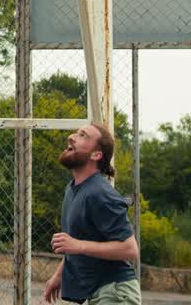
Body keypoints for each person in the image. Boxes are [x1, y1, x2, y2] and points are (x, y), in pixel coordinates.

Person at [43, 122, 140, 304]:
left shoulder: (100, 193)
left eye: (83, 135)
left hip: (115, 293)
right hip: (98, 293)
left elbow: (130, 249)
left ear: (96, 155)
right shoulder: (73, 189)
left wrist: (76, 245)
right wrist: (59, 275)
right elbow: (79, 241)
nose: (71, 137)